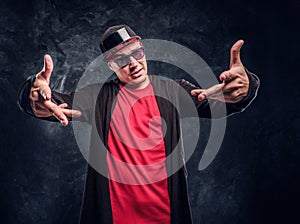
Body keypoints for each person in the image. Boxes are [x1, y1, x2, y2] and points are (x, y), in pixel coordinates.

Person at [18, 24, 260, 224]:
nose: (132, 63)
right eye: (121, 60)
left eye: (136, 53)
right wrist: (37, 96)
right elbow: (56, 104)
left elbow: (221, 104)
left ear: (143, 50)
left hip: (164, 217)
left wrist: (244, 88)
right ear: (111, 66)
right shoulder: (99, 96)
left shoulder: (173, 91)